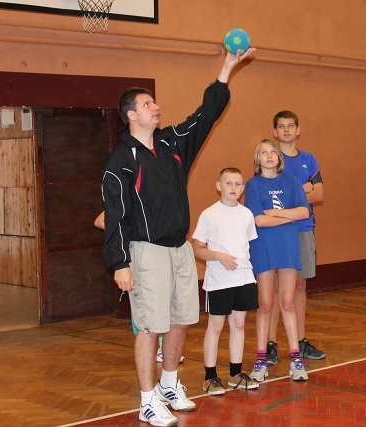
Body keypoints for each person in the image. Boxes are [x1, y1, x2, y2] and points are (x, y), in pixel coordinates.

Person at [101, 48, 255, 427]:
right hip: (145, 252)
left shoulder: (172, 144)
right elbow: (115, 215)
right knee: (150, 326)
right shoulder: (121, 160)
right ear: (131, 115)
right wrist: (120, 263)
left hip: (180, 250)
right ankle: (146, 400)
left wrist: (226, 69)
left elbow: (206, 114)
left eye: (154, 102)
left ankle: (169, 385)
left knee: (181, 321)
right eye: (147, 104)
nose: (156, 107)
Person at [244, 138, 310, 382]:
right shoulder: (253, 185)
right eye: (264, 152)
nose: (269, 155)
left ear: (279, 158)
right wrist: (288, 217)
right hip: (263, 248)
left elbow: (304, 212)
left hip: (287, 248)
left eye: (273, 151)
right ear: (257, 159)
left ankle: (296, 360)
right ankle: (261, 361)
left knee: (287, 302)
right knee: (265, 303)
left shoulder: (291, 182)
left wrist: (276, 213)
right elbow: (259, 220)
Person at [191, 167, 260, 396]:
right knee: (216, 325)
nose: (233, 187)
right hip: (219, 280)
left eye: (238, 184)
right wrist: (218, 256)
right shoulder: (209, 215)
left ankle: (235, 374)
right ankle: (210, 377)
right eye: (228, 183)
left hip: (244, 277)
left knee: (239, 324)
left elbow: (246, 245)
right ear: (218, 186)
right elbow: (197, 248)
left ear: (242, 189)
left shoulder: (247, 214)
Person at [266, 110, 325, 366]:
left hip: (303, 229)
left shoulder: (308, 160)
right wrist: (303, 190)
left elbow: (319, 194)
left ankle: (300, 341)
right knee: (275, 288)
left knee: (300, 287)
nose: (286, 130)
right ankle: (270, 344)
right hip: (276, 231)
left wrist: (291, 196)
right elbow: (269, 196)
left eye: (291, 125)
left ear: (298, 130)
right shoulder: (270, 159)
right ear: (275, 132)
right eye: (281, 126)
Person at [94, 211, 183, 364]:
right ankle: (155, 348)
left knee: (164, 304)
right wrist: (130, 233)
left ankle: (165, 348)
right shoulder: (125, 203)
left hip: (159, 255)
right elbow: (99, 221)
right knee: (145, 310)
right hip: (139, 258)